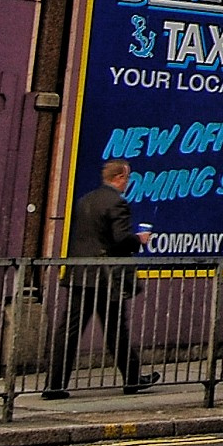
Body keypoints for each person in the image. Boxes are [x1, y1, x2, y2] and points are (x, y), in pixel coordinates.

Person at [46, 159, 157, 400]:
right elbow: (119, 239)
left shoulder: (85, 200)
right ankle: (133, 378)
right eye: (126, 178)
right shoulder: (117, 202)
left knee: (70, 330)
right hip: (106, 278)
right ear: (119, 178)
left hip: (80, 274)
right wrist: (139, 240)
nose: (127, 183)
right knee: (116, 329)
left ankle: (54, 385)